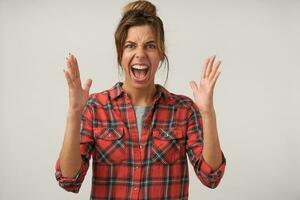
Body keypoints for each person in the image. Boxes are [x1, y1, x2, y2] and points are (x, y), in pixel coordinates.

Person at [55, 1, 226, 199]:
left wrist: (208, 113)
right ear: (121, 54)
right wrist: (74, 114)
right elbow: (69, 179)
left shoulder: (184, 110)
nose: (140, 54)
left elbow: (211, 176)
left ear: (161, 54)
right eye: (130, 46)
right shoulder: (96, 107)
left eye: (150, 46)